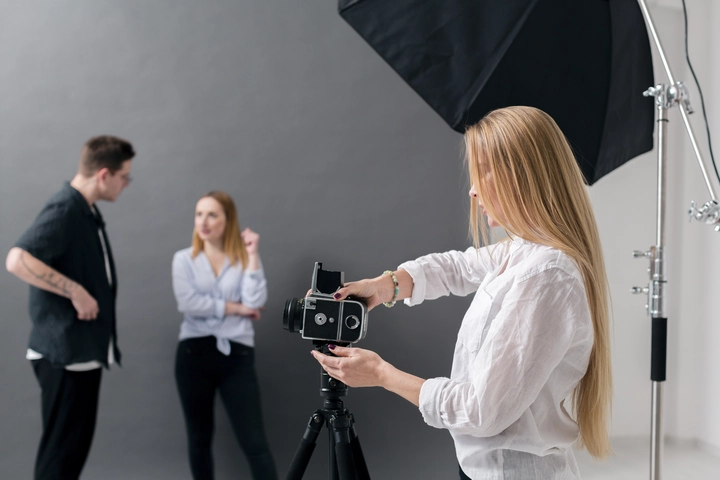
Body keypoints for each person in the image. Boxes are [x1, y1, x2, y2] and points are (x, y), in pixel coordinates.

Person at [311, 106, 612, 480]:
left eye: (484, 171)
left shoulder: (546, 276)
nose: (472, 189)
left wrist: (382, 374)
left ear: (521, 176)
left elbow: (480, 411)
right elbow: (457, 267)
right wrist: (386, 285)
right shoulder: (522, 251)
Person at [5, 135, 135, 480]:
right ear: (104, 174)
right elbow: (17, 260)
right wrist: (75, 290)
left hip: (78, 354)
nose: (126, 185)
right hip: (65, 355)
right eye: (125, 177)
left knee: (69, 455)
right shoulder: (65, 208)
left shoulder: (83, 210)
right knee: (60, 459)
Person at [171, 191, 277, 480]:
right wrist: (236, 308)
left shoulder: (244, 259)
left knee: (255, 442)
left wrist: (253, 254)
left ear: (228, 220)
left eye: (212, 214)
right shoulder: (183, 260)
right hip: (193, 356)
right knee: (199, 439)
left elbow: (255, 301)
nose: (203, 222)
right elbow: (187, 303)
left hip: (237, 357)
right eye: (199, 214)